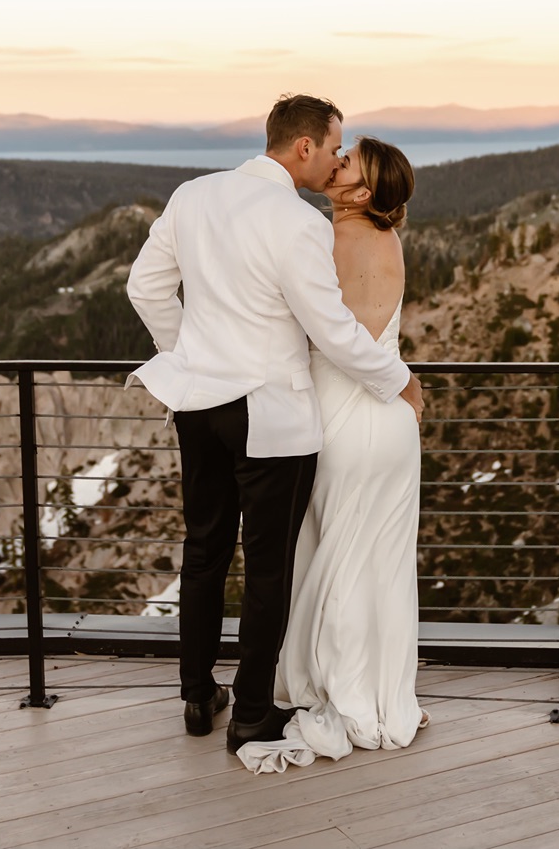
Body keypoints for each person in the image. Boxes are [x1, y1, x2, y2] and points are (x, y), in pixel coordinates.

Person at [126, 94, 425, 753]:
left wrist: (192, 357)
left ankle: (198, 693)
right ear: (304, 148)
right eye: (334, 146)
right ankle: (253, 713)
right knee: (268, 568)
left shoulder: (192, 195)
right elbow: (333, 330)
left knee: (203, 550)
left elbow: (144, 287)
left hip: (199, 405)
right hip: (271, 413)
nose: (336, 159)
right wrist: (398, 379)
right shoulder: (299, 224)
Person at [236, 137, 425, 773]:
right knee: (380, 565)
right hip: (392, 426)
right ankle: (381, 693)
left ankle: (342, 692)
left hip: (346, 418)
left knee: (337, 557)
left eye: (348, 164)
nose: (335, 164)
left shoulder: (330, 239)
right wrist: (399, 379)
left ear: (362, 193)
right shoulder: (388, 238)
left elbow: (336, 337)